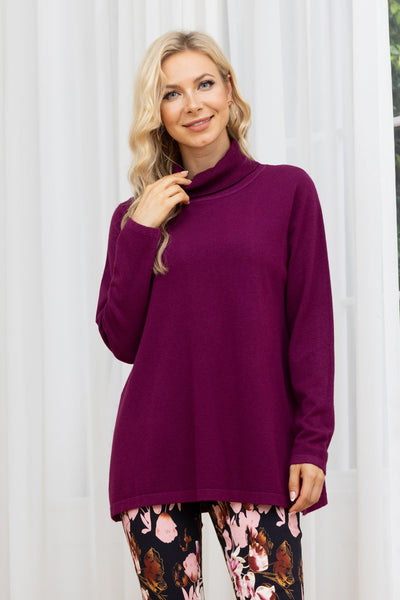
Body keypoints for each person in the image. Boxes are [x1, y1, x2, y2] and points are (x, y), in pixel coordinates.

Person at [96, 30, 334, 600]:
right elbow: (121, 340)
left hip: (257, 446)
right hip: (156, 452)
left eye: (204, 84)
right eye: (172, 93)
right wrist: (140, 230)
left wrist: (312, 444)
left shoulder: (287, 191)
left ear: (229, 89)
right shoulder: (136, 215)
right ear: (158, 112)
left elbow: (311, 327)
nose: (193, 104)